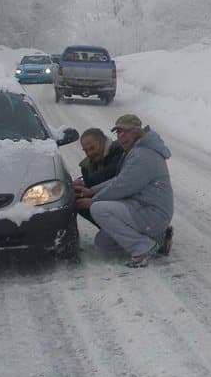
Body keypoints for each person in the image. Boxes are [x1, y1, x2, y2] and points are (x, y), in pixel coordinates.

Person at [74, 114, 174, 267]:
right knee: (103, 242)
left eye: (126, 131)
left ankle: (142, 248)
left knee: (99, 209)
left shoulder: (143, 154)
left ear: (138, 131)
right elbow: (120, 180)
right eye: (118, 132)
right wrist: (92, 190)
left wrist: (93, 200)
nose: (121, 136)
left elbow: (122, 185)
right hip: (143, 210)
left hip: (152, 212)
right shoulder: (136, 150)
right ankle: (158, 240)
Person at [72, 128, 124, 228]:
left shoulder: (119, 150)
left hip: (127, 202)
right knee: (78, 201)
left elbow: (110, 173)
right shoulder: (86, 166)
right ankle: (110, 231)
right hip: (109, 200)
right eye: (86, 150)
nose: (89, 153)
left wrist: (84, 182)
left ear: (104, 141)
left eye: (92, 148)